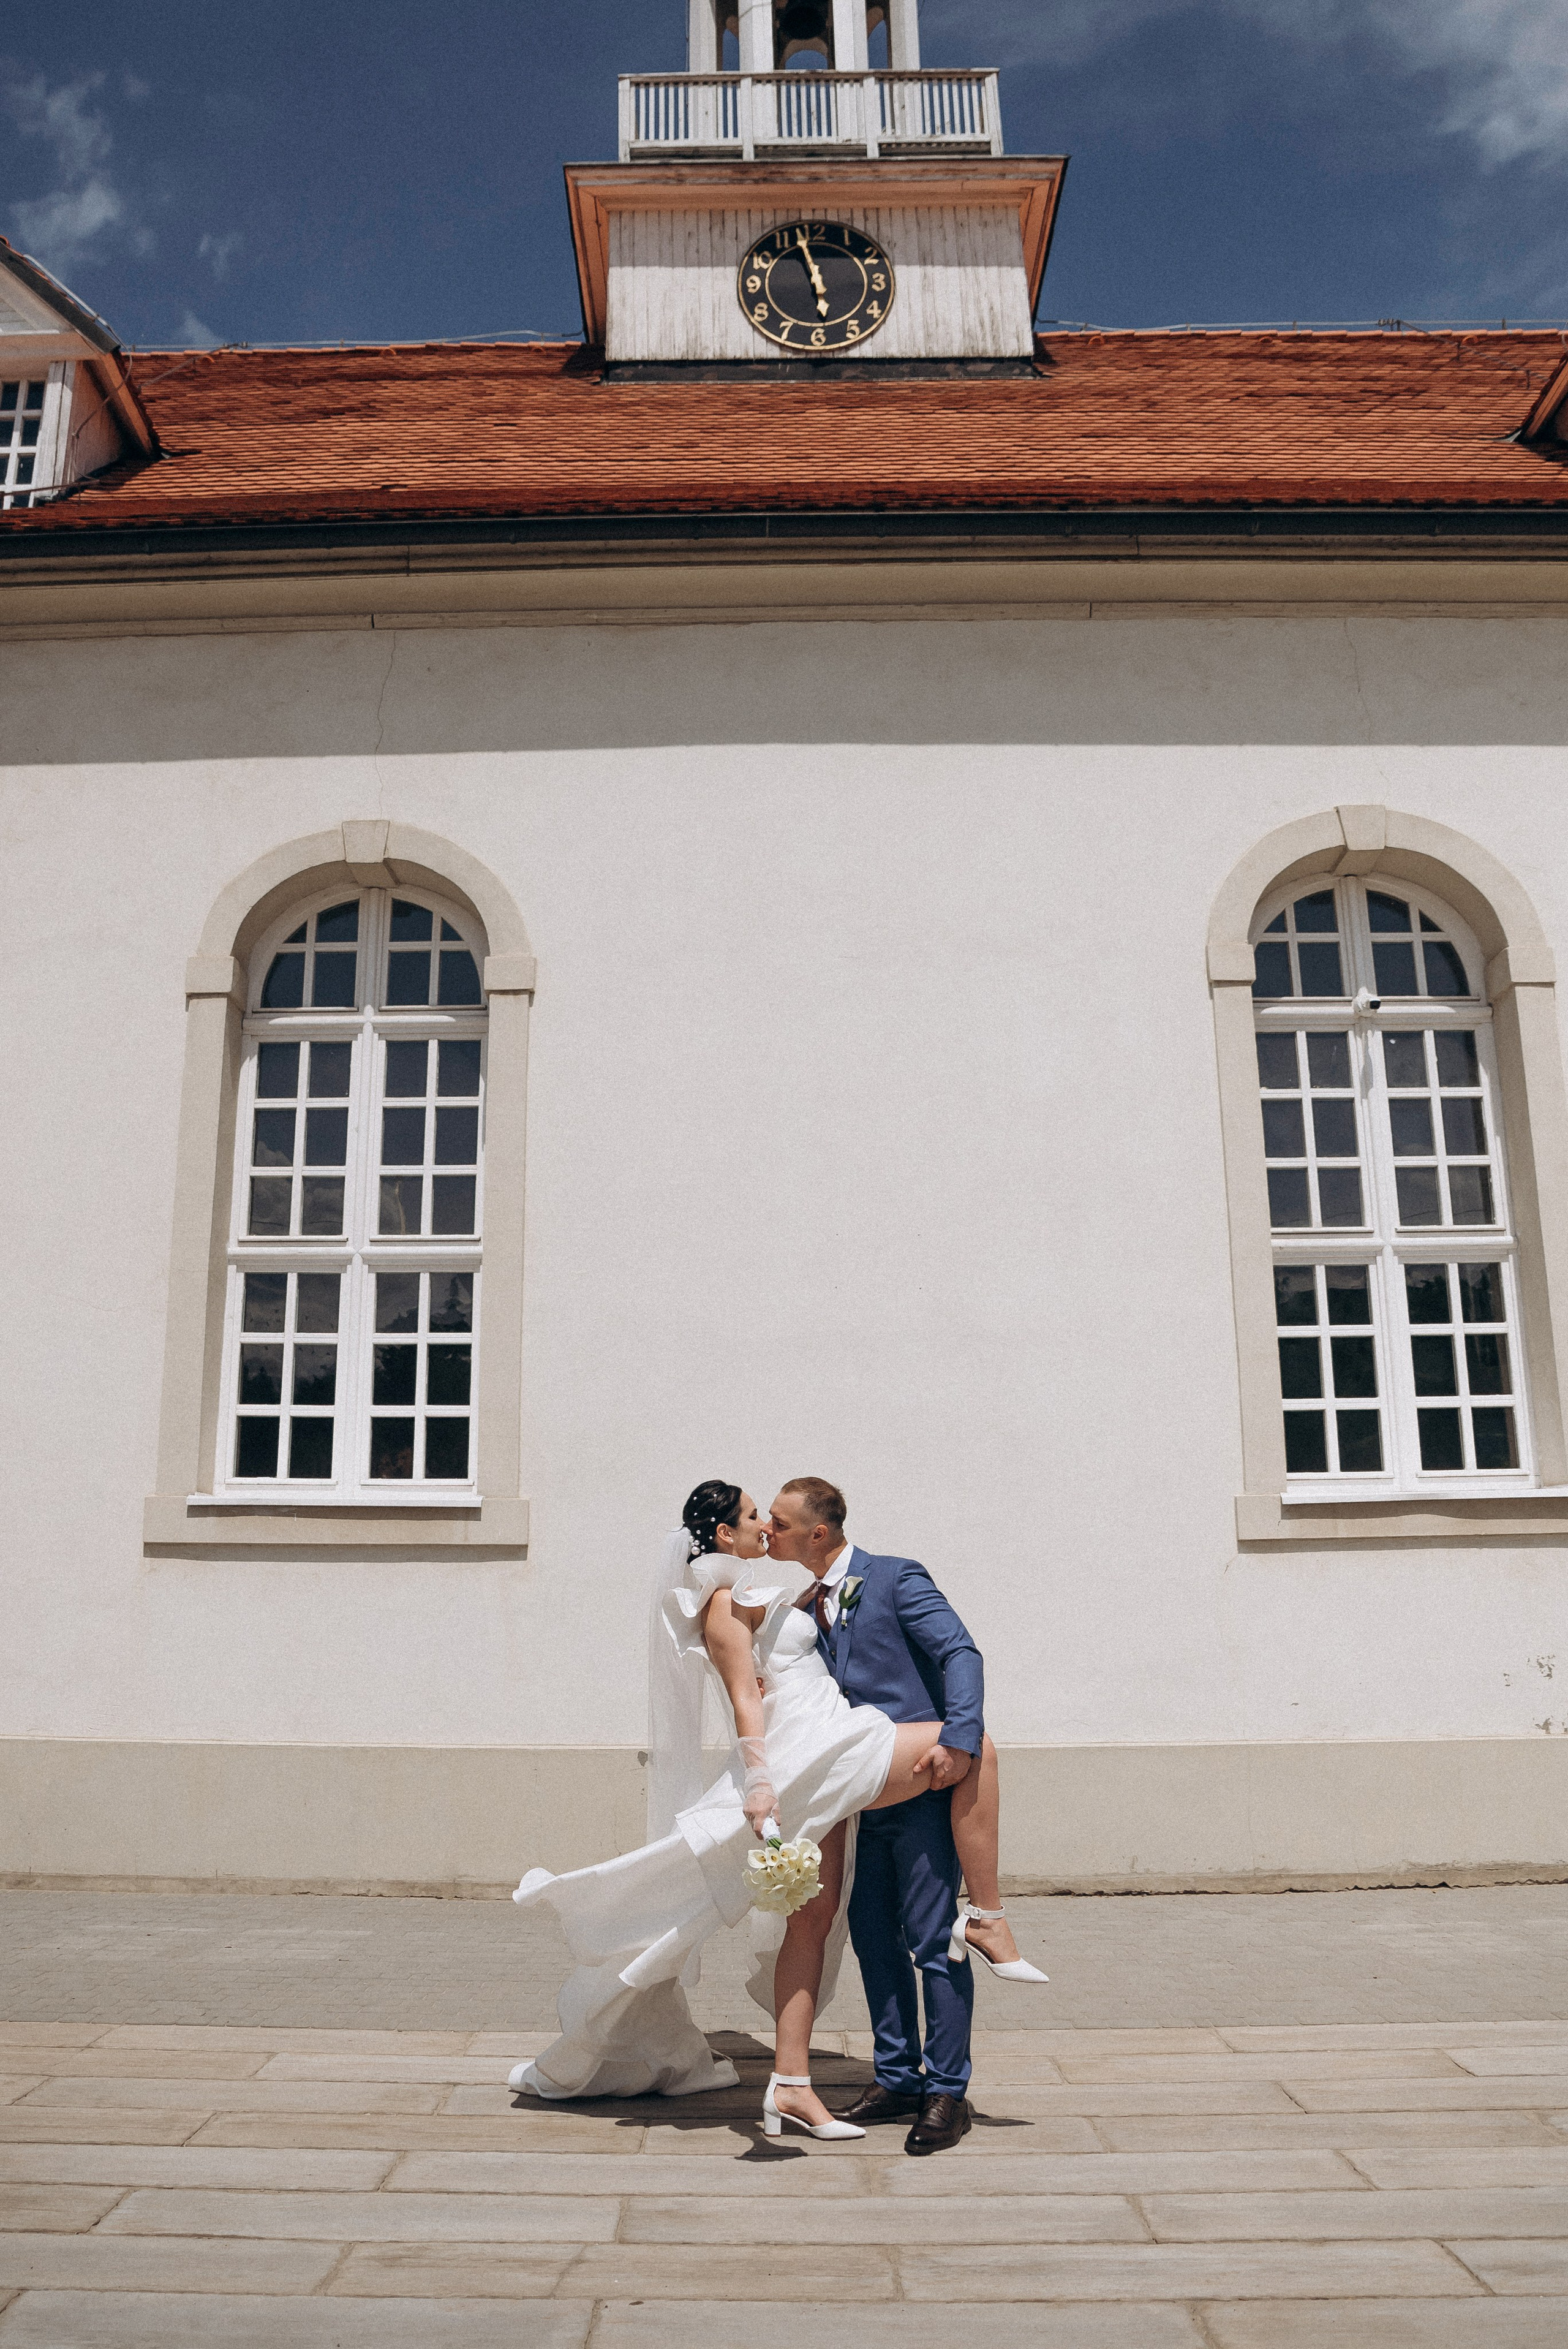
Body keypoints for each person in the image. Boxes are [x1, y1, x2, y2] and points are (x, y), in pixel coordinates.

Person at [508, 1477, 1042, 2154]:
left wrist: (958, 1733)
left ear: (815, 1534)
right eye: (756, 1516)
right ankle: (894, 2063)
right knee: (858, 1931)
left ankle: (932, 2086)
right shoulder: (731, 1602)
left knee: (889, 1931)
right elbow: (744, 1696)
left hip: (867, 1762)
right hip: (822, 1761)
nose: (768, 1526)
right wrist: (759, 1778)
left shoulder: (848, 1585)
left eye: (777, 1518)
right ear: (724, 1536)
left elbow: (955, 1653)